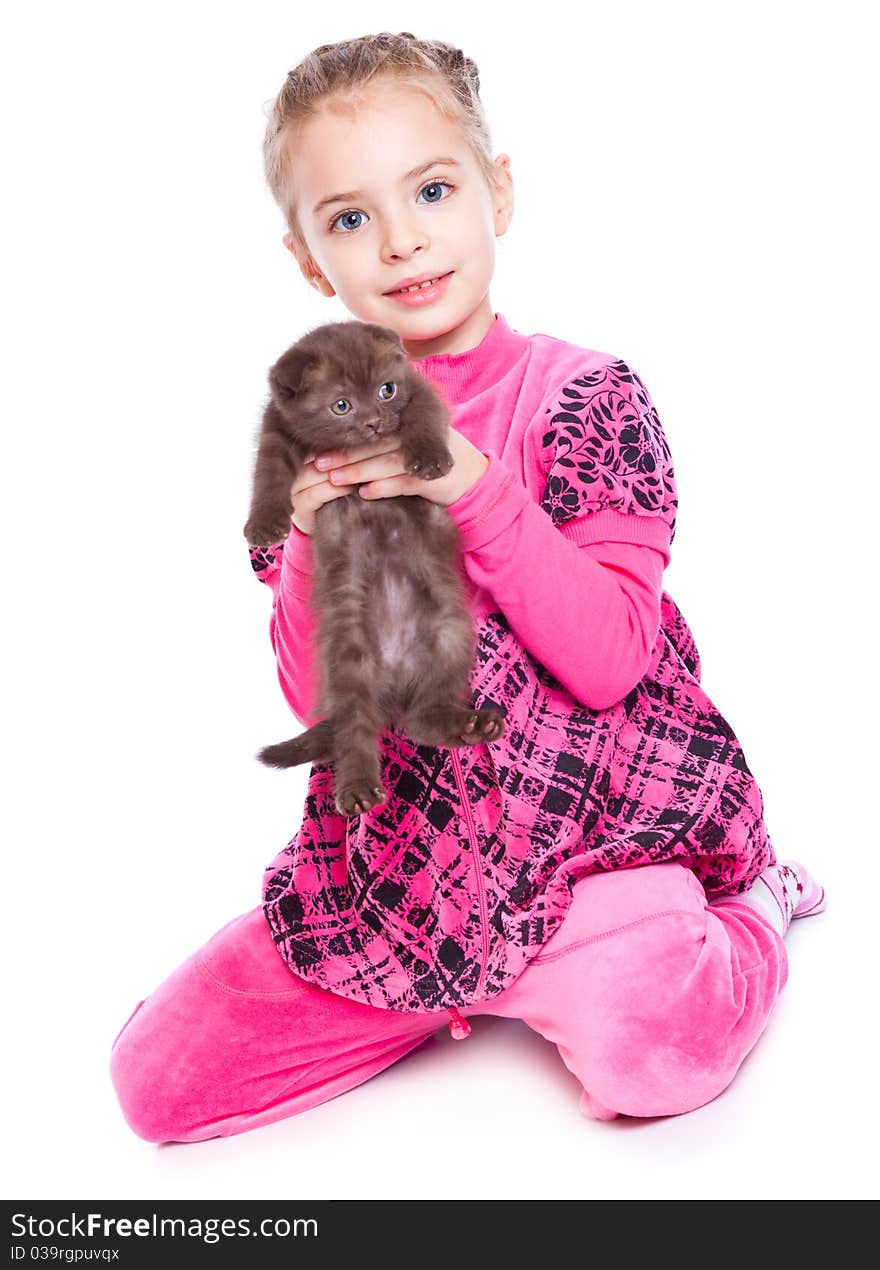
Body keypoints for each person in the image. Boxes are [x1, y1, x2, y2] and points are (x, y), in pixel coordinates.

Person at [109, 31, 825, 1143]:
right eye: (348, 216)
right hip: (406, 859)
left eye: (432, 190)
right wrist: (306, 542)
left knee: (656, 1050)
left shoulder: (583, 396)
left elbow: (609, 659)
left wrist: (473, 488)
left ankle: (753, 909)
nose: (401, 240)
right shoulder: (318, 440)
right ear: (309, 260)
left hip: (591, 834)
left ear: (495, 189)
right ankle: (442, 975)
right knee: (155, 1085)